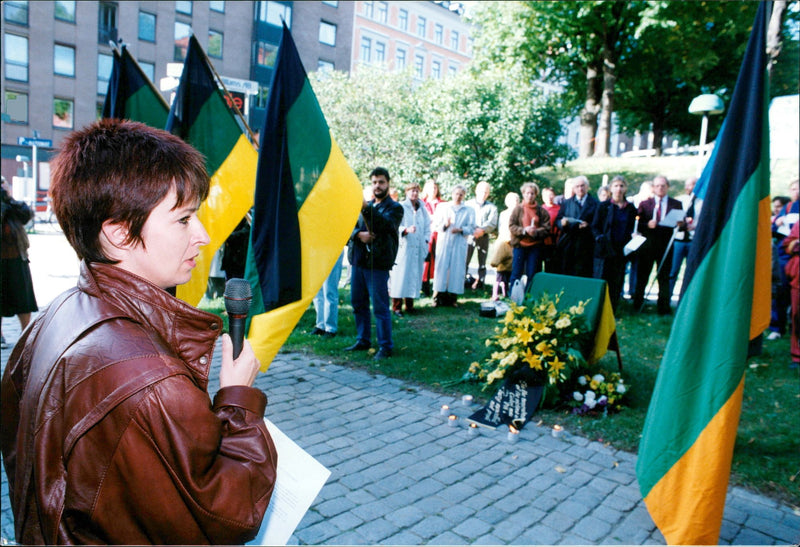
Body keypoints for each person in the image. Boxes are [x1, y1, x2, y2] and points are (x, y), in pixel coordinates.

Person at [0, 120, 277, 545]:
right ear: (117, 234)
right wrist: (238, 401)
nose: (203, 236)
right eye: (184, 219)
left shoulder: (57, 313)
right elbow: (227, 516)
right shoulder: (150, 382)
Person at [346, 167, 403, 359]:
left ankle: (385, 346)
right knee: (358, 303)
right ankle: (363, 340)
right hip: (359, 262)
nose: (377, 186)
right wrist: (358, 235)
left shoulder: (395, 208)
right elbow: (348, 230)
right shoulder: (364, 206)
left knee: (379, 306)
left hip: (377, 264)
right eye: (374, 182)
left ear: (388, 184)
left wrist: (366, 208)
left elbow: (385, 225)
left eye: (381, 182)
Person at [633, 175, 682, 314]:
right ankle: (637, 305)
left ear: (667, 187)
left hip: (666, 246)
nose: (660, 188)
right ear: (653, 187)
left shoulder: (676, 204)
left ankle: (663, 308)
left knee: (664, 277)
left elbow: (681, 225)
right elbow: (638, 225)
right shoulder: (645, 203)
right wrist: (647, 224)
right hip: (648, 246)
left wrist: (681, 224)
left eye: (663, 185)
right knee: (643, 276)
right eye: (657, 186)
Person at [1, 177, 38, 349]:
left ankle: (25, 335)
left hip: (17, 258)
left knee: (23, 301)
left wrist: (9, 199)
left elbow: (27, 215)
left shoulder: (13, 205)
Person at [592, 176, 637, 310]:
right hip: (605, 249)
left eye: (621, 186)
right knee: (602, 279)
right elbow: (594, 226)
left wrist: (634, 235)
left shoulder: (630, 208)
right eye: (616, 186)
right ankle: (598, 308)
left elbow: (633, 227)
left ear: (625, 188)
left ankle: (612, 309)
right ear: (611, 188)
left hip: (621, 250)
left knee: (617, 280)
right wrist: (600, 238)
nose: (619, 189)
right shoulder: (604, 206)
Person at [390, 182, 431, 316]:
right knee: (400, 276)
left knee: (414, 274)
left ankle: (410, 304)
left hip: (418, 246)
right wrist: (405, 230)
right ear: (406, 192)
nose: (414, 193)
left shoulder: (422, 209)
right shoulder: (401, 207)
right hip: (404, 246)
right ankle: (397, 306)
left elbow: (427, 227)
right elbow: (394, 225)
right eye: (411, 191)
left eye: (416, 191)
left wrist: (425, 240)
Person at [432, 184, 475, 307]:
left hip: (459, 241)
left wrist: (461, 229)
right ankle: (437, 296)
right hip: (444, 240)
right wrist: (445, 224)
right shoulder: (443, 207)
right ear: (452, 194)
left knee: (457, 269)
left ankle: (453, 298)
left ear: (464, 196)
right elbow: (435, 225)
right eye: (456, 193)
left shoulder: (468, 210)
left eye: (461, 194)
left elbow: (472, 227)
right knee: (441, 267)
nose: (458, 196)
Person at [767, 179, 800, 340]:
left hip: (796, 257)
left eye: (796, 188)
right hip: (783, 257)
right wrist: (777, 223)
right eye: (792, 188)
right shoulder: (787, 208)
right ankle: (777, 327)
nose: (794, 191)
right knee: (781, 293)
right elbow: (772, 228)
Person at [509, 182, 551, 292]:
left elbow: (547, 228)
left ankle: (529, 297)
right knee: (516, 272)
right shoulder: (518, 209)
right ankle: (513, 297)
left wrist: (536, 232)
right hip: (520, 245)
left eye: (532, 193)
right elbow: (511, 225)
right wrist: (523, 231)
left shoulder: (542, 211)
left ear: (536, 195)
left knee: (532, 274)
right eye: (527, 193)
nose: (530, 196)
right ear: (523, 194)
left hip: (535, 247)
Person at [555, 175, 598, 278]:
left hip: (586, 245)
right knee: (567, 272)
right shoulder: (567, 203)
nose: (580, 188)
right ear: (574, 188)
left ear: (587, 187)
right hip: (569, 243)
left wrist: (588, 225)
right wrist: (562, 223)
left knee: (584, 273)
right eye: (577, 186)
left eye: (582, 186)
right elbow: (558, 220)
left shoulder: (595, 203)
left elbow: (599, 223)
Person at [465, 181, 499, 290]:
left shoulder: (492, 207)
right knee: (465, 259)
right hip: (469, 235)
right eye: (481, 191)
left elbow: (492, 223)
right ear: (476, 191)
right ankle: (462, 281)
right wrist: (473, 230)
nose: (483, 194)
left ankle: (481, 283)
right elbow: (464, 219)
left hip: (483, 236)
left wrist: (482, 230)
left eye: (486, 192)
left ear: (488, 193)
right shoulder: (468, 204)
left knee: (482, 261)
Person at [668, 176, 697, 300]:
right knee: (673, 270)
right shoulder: (680, 201)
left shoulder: (703, 202)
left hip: (693, 240)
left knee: (691, 271)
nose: (690, 187)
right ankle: (667, 297)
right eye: (689, 184)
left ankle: (686, 298)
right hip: (679, 240)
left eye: (693, 184)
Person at [489, 192, 519, 299]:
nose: (514, 203)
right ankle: (495, 293)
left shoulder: (520, 213)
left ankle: (507, 292)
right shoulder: (503, 214)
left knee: (510, 269)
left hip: (514, 243)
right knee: (499, 270)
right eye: (511, 200)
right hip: (503, 242)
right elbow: (500, 229)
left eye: (516, 200)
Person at [311, 250, 344, 337]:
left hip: (332, 250)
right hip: (317, 251)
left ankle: (330, 328)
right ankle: (320, 325)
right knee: (317, 291)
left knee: (329, 291)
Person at [420, 179, 443, 297]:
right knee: (426, 260)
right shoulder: (421, 203)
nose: (433, 190)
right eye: (430, 188)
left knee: (439, 260)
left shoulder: (443, 203)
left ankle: (438, 288)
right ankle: (424, 286)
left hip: (440, 235)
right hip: (427, 234)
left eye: (435, 187)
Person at [540, 187, 561, 273]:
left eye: (551, 195)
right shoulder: (540, 209)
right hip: (543, 241)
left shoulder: (559, 209)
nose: (549, 197)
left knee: (553, 266)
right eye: (546, 195)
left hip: (556, 242)